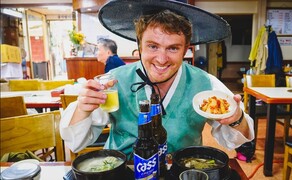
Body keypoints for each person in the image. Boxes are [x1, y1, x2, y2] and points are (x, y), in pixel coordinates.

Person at [60, 0, 254, 158]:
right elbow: (76, 142)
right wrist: (82, 108)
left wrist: (237, 119)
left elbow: (237, 140)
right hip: (125, 170)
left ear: (186, 50)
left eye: (173, 48)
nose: (161, 59)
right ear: (140, 45)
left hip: (181, 170)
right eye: (153, 46)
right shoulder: (112, 82)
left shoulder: (206, 84)